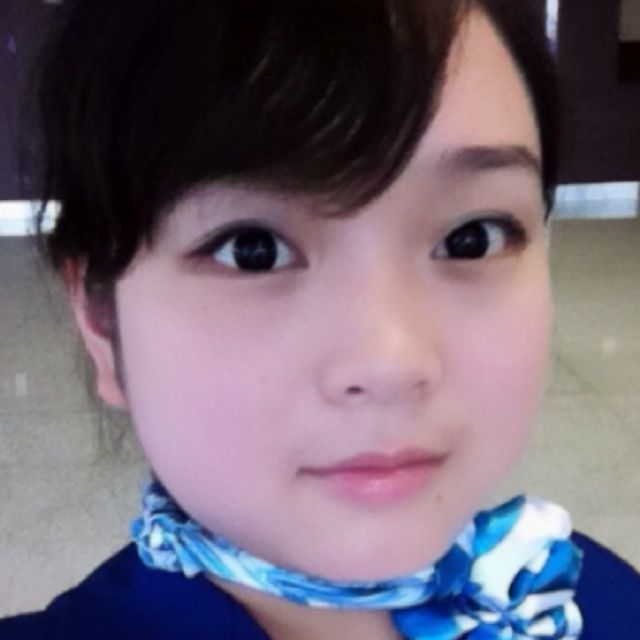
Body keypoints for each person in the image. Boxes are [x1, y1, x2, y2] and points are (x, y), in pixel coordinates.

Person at [1, 0, 639, 638]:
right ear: (102, 323)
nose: (389, 363)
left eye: (472, 237)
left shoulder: (597, 595)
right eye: (253, 250)